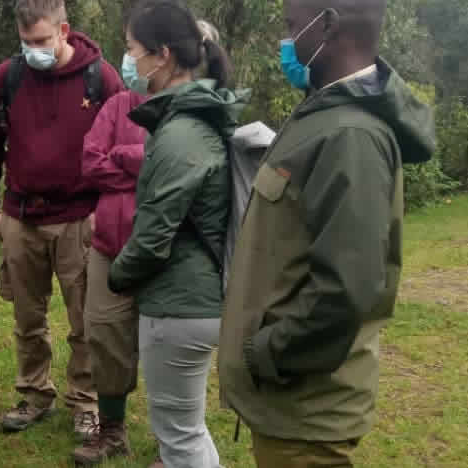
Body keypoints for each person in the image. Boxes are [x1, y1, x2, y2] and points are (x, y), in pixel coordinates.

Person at [217, 0, 436, 466]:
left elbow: (347, 288)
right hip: (288, 403)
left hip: (304, 409)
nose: (286, 42)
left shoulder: (350, 136)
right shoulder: (320, 116)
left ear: (329, 25)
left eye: (293, 27)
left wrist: (265, 353)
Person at [0, 0, 124, 439]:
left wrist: (105, 207)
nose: (33, 49)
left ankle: (86, 402)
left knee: (86, 320)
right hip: (21, 215)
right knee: (27, 318)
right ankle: (35, 394)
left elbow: (124, 144)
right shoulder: (8, 77)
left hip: (80, 217)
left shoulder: (101, 78)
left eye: (41, 40)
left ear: (64, 30)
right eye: (25, 42)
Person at [107, 1, 246, 467]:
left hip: (178, 304)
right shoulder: (197, 119)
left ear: (161, 55)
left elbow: (152, 236)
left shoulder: (180, 132)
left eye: (131, 49)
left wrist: (117, 275)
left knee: (179, 439)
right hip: (197, 297)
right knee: (189, 430)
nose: (129, 61)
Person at [70, 81, 148, 464]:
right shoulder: (119, 105)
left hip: (165, 246)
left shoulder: (187, 107)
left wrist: (122, 155)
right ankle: (112, 430)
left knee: (168, 342)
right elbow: (90, 162)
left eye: (135, 48)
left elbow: (176, 166)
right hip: (108, 244)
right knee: (103, 331)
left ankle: (180, 441)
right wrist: (140, 171)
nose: (131, 59)